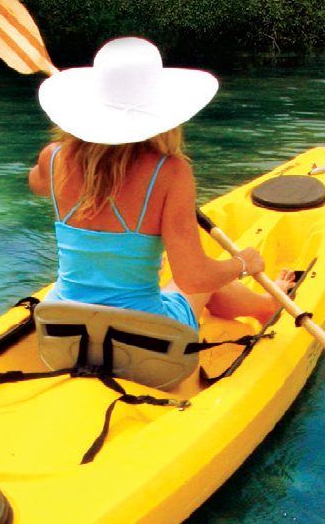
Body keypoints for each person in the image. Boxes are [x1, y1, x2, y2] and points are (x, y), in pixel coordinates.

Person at [28, 36, 294, 330]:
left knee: (179, 273)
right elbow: (193, 277)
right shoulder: (170, 173)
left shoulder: (52, 158)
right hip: (143, 337)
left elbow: (38, 185)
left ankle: (262, 306)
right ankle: (267, 307)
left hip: (59, 327)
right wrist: (243, 264)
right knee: (204, 277)